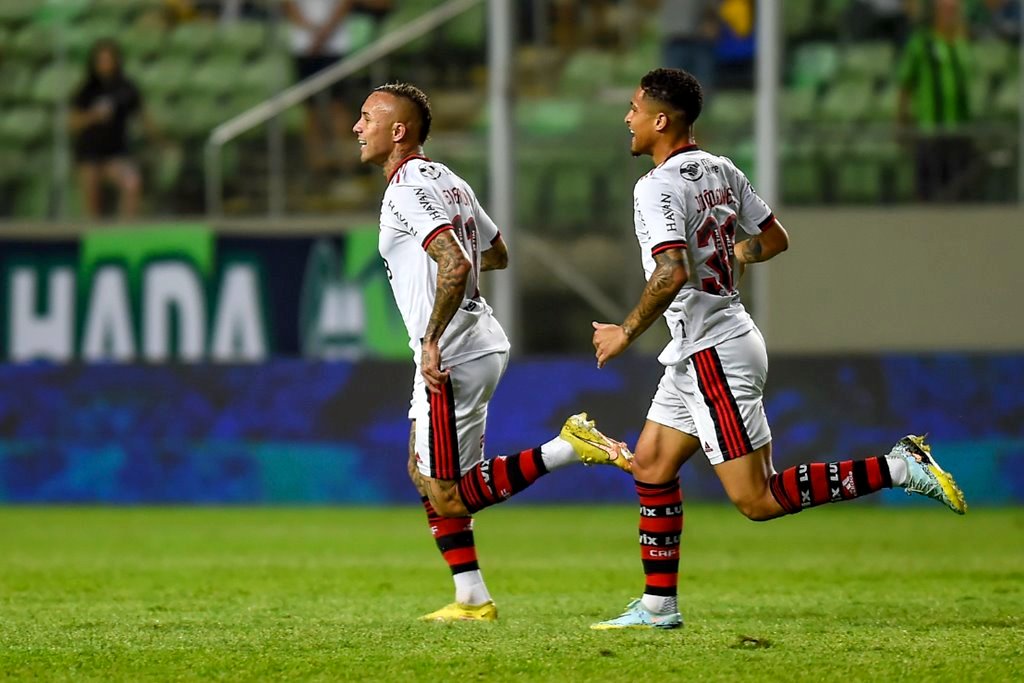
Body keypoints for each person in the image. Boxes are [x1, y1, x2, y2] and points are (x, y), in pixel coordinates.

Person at [589, 68, 968, 630]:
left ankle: (898, 466)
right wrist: (734, 256)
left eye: (634, 108)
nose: (628, 117)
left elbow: (668, 272)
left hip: (714, 353)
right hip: (708, 346)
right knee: (650, 464)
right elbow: (773, 239)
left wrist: (624, 331)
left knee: (757, 500)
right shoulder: (721, 168)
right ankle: (657, 607)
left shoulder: (656, 186)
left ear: (660, 120)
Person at [352, 82, 633, 623]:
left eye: (367, 118)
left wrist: (432, 337)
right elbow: (495, 253)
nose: (357, 128)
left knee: (450, 493)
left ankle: (568, 447)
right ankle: (472, 597)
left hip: (451, 348)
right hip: (474, 340)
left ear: (398, 131)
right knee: (421, 469)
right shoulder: (448, 180)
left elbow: (457, 263)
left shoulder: (407, 187)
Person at [286, 0, 392, 174]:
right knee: (310, 107)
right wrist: (311, 30)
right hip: (304, 45)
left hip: (333, 45)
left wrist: (324, 32)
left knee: (337, 104)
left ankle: (344, 160)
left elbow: (345, 4)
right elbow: (289, 5)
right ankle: (317, 161)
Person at [898, 0, 975, 201]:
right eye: (946, 9)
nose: (951, 14)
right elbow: (905, 83)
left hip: (960, 129)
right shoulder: (921, 43)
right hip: (931, 129)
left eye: (954, 10)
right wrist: (901, 119)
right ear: (936, 13)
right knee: (928, 190)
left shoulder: (962, 42)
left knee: (960, 190)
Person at [69, 39, 147, 220]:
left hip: (115, 153)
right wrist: (93, 116)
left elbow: (143, 116)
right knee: (92, 191)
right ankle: (94, 233)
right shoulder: (86, 89)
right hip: (89, 153)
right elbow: (72, 123)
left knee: (132, 183)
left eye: (108, 59)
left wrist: (161, 141)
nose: (105, 64)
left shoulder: (126, 87)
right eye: (101, 60)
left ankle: (126, 232)